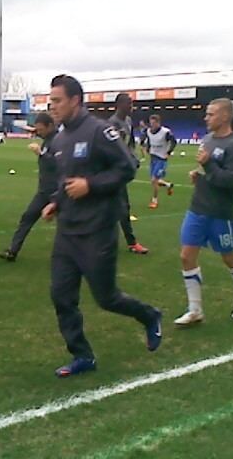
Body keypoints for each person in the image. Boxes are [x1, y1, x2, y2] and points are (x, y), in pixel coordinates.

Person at [41, 74, 162, 377]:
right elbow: (66, 180)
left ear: (75, 101)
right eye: (50, 100)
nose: (51, 106)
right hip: (67, 232)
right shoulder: (59, 138)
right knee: (61, 296)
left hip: (97, 231)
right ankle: (82, 355)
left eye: (56, 101)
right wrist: (56, 201)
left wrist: (90, 185)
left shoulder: (99, 132)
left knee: (106, 298)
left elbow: (128, 167)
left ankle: (149, 315)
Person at [174, 98, 233, 326]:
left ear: (225, 117)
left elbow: (230, 180)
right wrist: (198, 173)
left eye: (211, 114)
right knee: (186, 256)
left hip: (220, 212)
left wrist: (208, 166)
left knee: (229, 258)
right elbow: (206, 169)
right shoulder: (207, 140)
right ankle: (195, 309)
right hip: (197, 207)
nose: (206, 118)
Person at [0, 112, 57, 261]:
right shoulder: (48, 139)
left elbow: (60, 163)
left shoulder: (60, 140)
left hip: (58, 192)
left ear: (50, 126)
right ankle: (12, 251)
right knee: (27, 217)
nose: (39, 133)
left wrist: (41, 154)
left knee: (70, 225)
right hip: (44, 192)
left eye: (41, 130)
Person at [108, 93, 149, 254]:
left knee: (121, 207)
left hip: (120, 171)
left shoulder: (128, 121)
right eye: (129, 104)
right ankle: (131, 242)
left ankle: (131, 243)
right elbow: (113, 148)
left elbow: (129, 143)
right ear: (120, 105)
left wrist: (133, 158)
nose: (132, 107)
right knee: (120, 208)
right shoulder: (112, 124)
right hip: (112, 171)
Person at [143, 115, 176, 209]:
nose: (152, 125)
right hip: (153, 158)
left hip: (161, 159)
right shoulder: (149, 131)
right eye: (151, 123)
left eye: (154, 123)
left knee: (154, 180)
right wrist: (148, 149)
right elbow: (149, 140)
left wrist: (169, 152)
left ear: (158, 123)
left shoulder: (165, 132)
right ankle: (168, 185)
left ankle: (154, 200)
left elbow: (174, 141)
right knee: (155, 180)